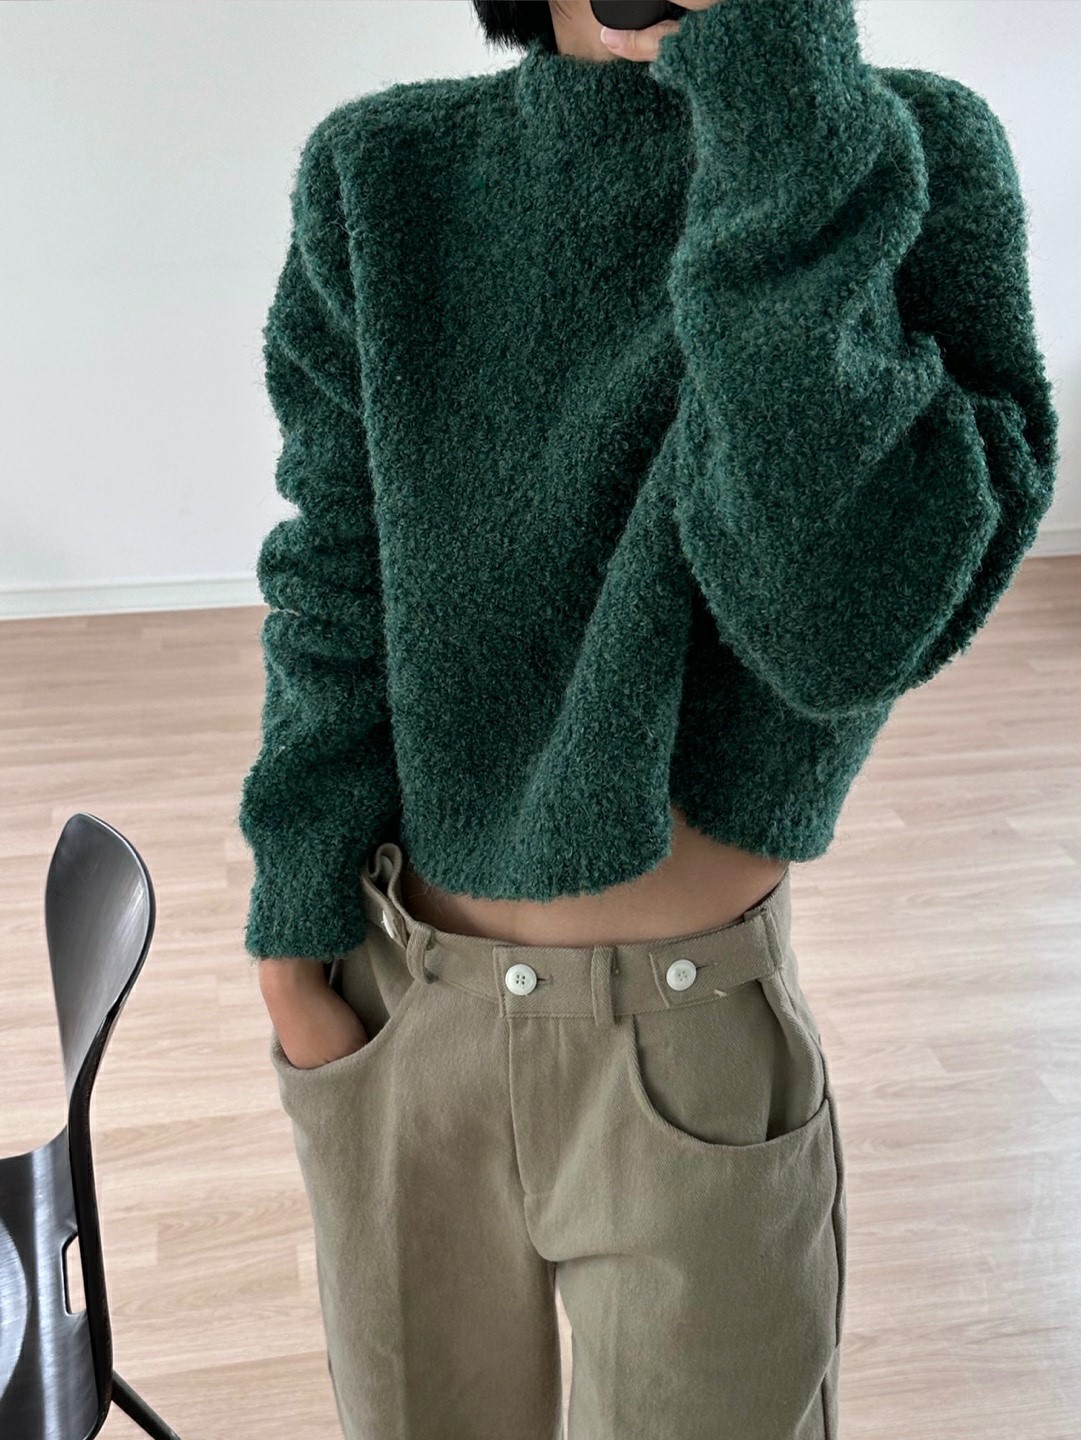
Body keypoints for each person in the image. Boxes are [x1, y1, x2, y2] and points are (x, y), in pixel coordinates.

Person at [237, 1, 1058, 1437]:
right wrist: (294, 946)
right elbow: (334, 579)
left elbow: (838, 623)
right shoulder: (381, 171)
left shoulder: (900, 154)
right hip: (398, 1015)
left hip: (693, 1045)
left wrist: (780, 104)